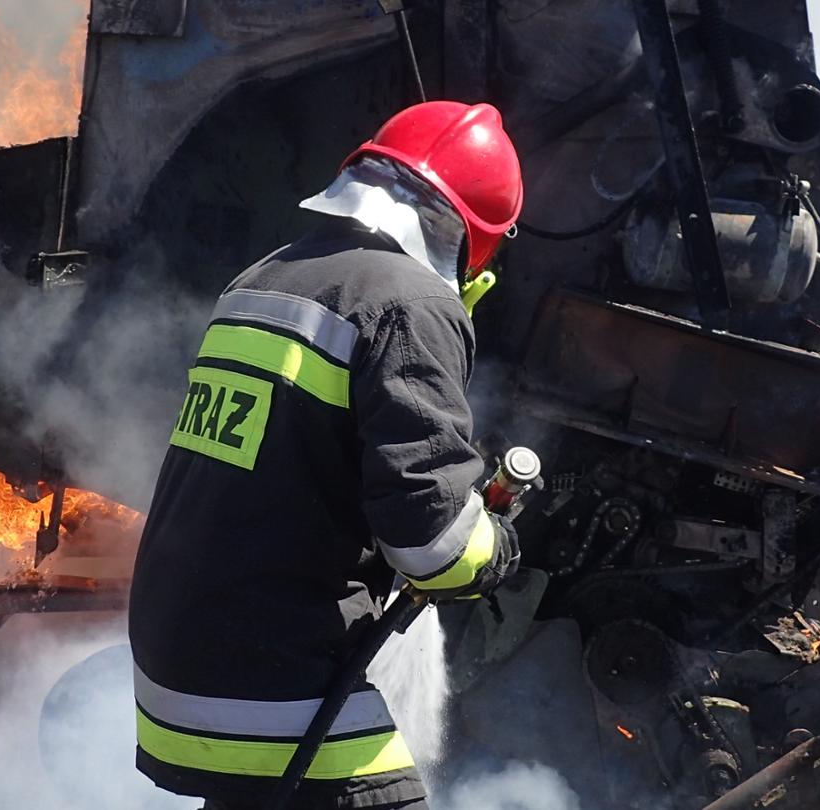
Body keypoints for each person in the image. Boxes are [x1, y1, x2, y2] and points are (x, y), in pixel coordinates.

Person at [128, 100, 525, 809]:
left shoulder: (262, 278)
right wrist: (493, 547)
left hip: (173, 672)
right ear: (473, 236)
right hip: (267, 681)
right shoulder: (411, 303)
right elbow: (430, 541)